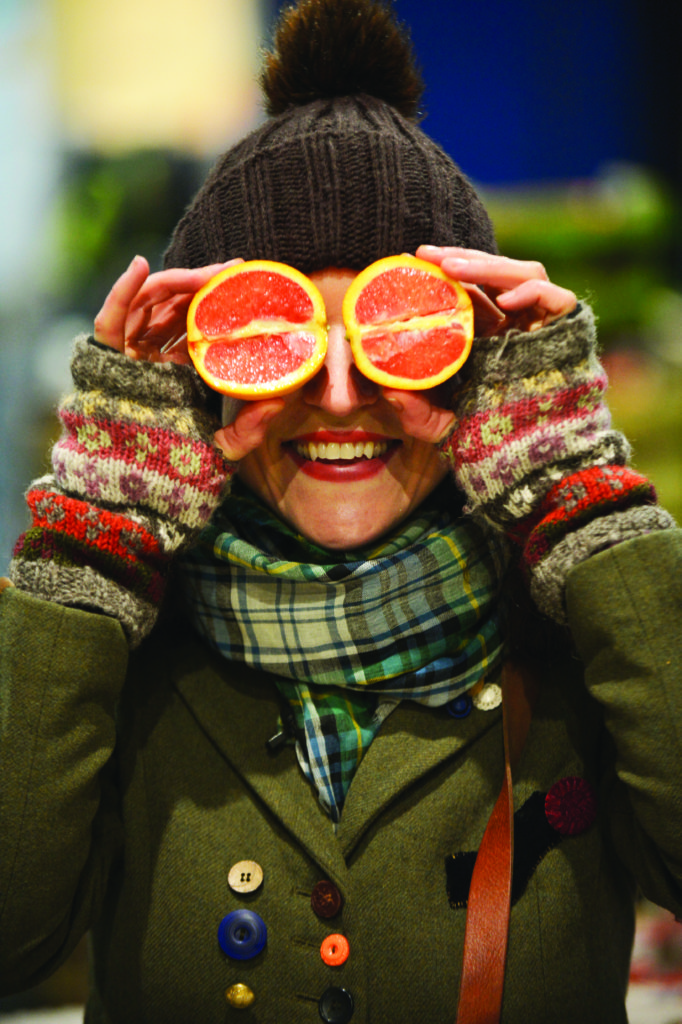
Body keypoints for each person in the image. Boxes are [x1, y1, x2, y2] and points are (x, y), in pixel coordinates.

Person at [0, 1, 680, 1021]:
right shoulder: (110, 654)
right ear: (197, 376)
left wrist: (582, 502)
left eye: (396, 336)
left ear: (480, 368)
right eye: (274, 341)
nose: (337, 397)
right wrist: (94, 535)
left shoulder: (586, 636)